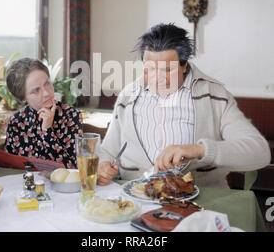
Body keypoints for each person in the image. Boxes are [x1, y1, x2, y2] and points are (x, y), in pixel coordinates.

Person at [97, 23, 271, 188]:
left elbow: (260, 152)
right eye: (151, 68)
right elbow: (108, 152)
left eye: (167, 70)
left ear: (184, 66)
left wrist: (200, 150)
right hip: (135, 200)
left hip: (202, 204)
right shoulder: (128, 97)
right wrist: (103, 166)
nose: (158, 78)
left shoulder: (215, 97)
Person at [4, 58, 83, 168]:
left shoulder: (71, 115)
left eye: (47, 83)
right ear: (23, 98)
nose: (46, 93)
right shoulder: (16, 121)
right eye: (36, 90)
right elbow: (7, 165)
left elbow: (73, 169)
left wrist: (47, 130)